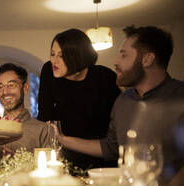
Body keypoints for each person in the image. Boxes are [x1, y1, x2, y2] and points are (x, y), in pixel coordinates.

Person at [57, 26, 184, 186]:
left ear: (147, 59)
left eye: (123, 55)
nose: (115, 61)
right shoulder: (123, 100)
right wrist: (62, 139)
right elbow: (111, 147)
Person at [37, 28, 121, 170]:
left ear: (78, 57)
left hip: (101, 157)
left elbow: (115, 130)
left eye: (61, 56)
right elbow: (45, 117)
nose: (53, 61)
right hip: (64, 155)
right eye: (52, 54)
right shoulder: (48, 71)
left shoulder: (105, 78)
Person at [0, 63, 53, 153]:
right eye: (0, 87)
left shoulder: (43, 130)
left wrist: (16, 158)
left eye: (11, 85)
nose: (5, 92)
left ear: (25, 88)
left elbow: (51, 165)